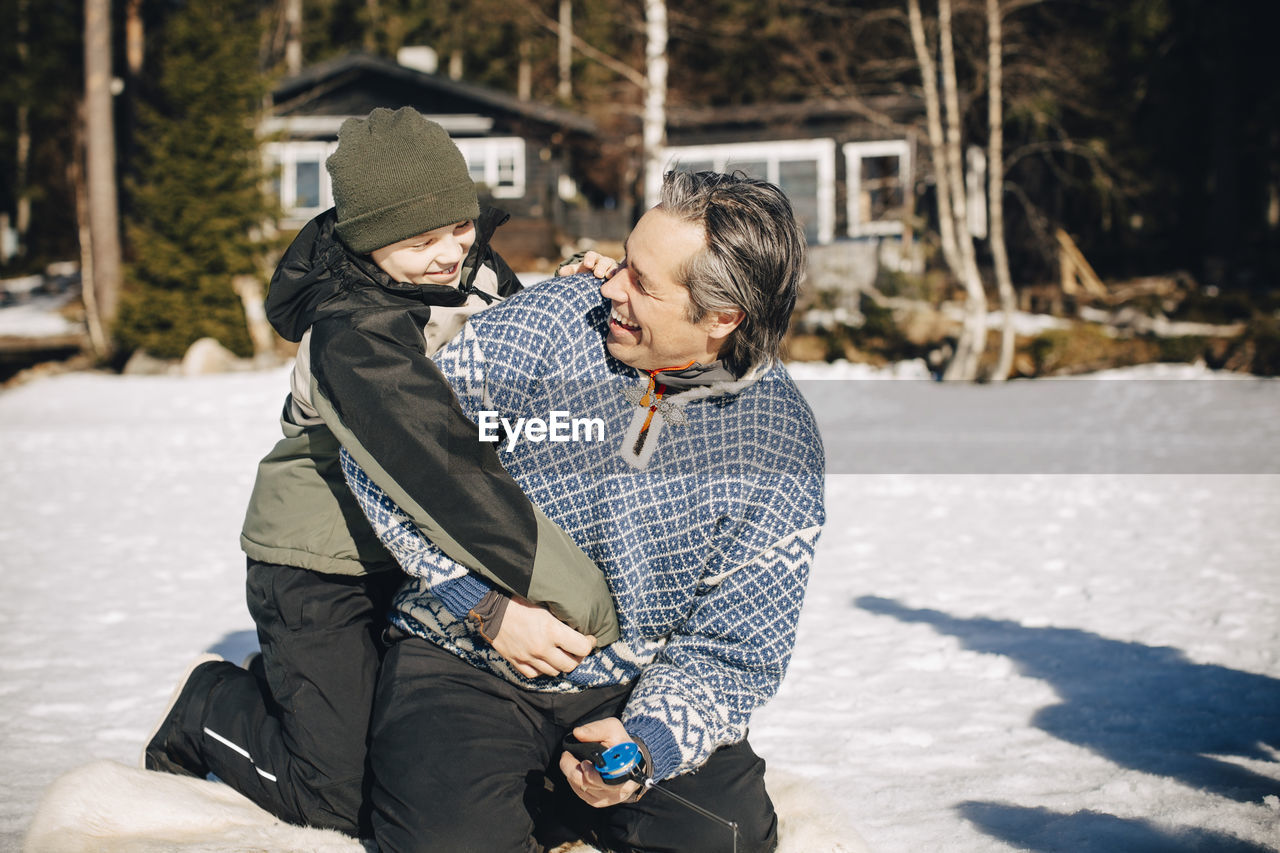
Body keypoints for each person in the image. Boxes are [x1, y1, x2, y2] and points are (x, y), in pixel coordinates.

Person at [141, 106, 618, 837]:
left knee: (408, 762)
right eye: (419, 240)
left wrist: (581, 297)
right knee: (337, 797)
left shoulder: (475, 269)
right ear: (366, 243)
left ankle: (301, 689)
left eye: (458, 227)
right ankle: (213, 707)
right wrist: (563, 598)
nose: (447, 252)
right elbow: (441, 470)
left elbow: (523, 378)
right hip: (323, 561)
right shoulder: (350, 332)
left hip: (422, 553)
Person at [344, 170, 826, 852]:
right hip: (468, 655)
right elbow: (386, 449)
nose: (607, 286)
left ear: (721, 319)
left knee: (730, 838)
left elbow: (735, 648)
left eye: (642, 281)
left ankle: (552, 800)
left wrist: (646, 746)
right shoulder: (550, 323)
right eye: (623, 261)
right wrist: (479, 602)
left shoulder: (778, 444)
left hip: (630, 685)